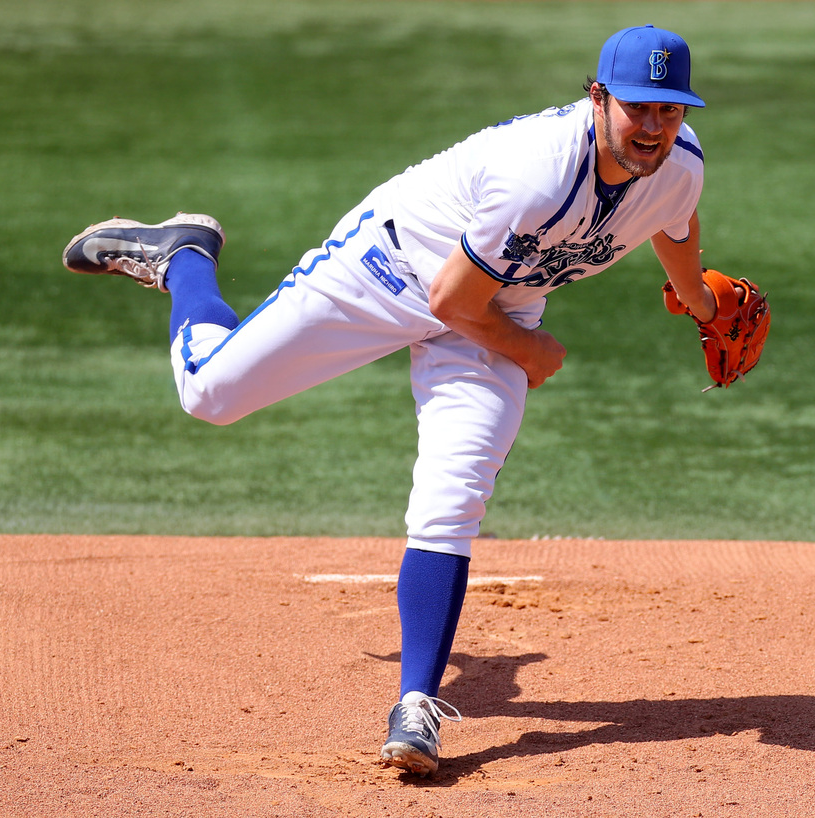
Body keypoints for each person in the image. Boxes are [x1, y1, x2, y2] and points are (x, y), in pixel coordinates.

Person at [62, 24, 714, 777]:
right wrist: (531, 351)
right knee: (209, 393)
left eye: (670, 110)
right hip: (391, 270)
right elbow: (451, 298)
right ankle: (183, 256)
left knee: (454, 494)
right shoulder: (538, 172)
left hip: (495, 306)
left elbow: (675, 219)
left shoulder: (679, 162)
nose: (655, 126)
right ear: (598, 98)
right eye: (639, 107)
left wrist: (697, 300)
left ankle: (415, 705)